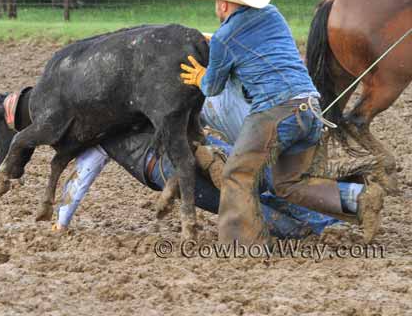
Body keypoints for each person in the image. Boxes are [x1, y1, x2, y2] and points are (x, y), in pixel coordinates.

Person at [179, 0, 384, 245]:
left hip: (275, 112)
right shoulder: (272, 15)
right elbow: (256, 45)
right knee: (289, 183)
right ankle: (359, 200)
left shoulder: (225, 37)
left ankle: (243, 245)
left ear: (223, 4)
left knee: (237, 174)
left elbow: (213, 87)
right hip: (310, 108)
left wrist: (201, 76)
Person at [51, 78, 373, 240]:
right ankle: (349, 203)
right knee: (268, 182)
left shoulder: (98, 139)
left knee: (238, 203)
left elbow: (80, 179)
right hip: (208, 147)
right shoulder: (134, 102)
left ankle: (306, 232)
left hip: (167, 168)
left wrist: (60, 222)